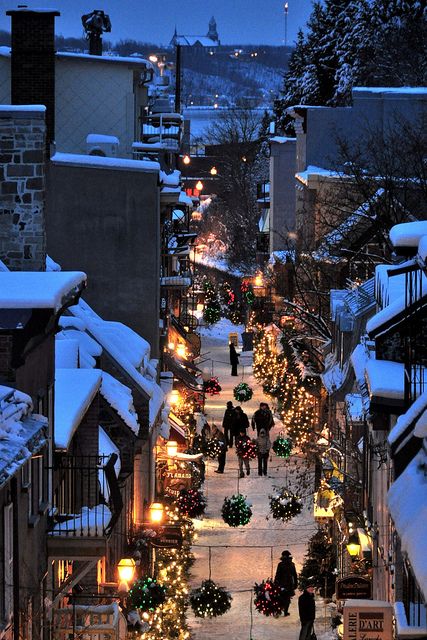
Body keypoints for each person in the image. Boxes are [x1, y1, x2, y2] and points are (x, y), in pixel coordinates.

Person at [274, 550, 298, 616]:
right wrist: (296, 584)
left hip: (281, 584)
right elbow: (295, 575)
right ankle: (285, 612)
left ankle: (278, 611)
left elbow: (277, 574)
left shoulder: (280, 564)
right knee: (287, 598)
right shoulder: (292, 564)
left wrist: (275, 583)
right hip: (290, 584)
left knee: (280, 598)